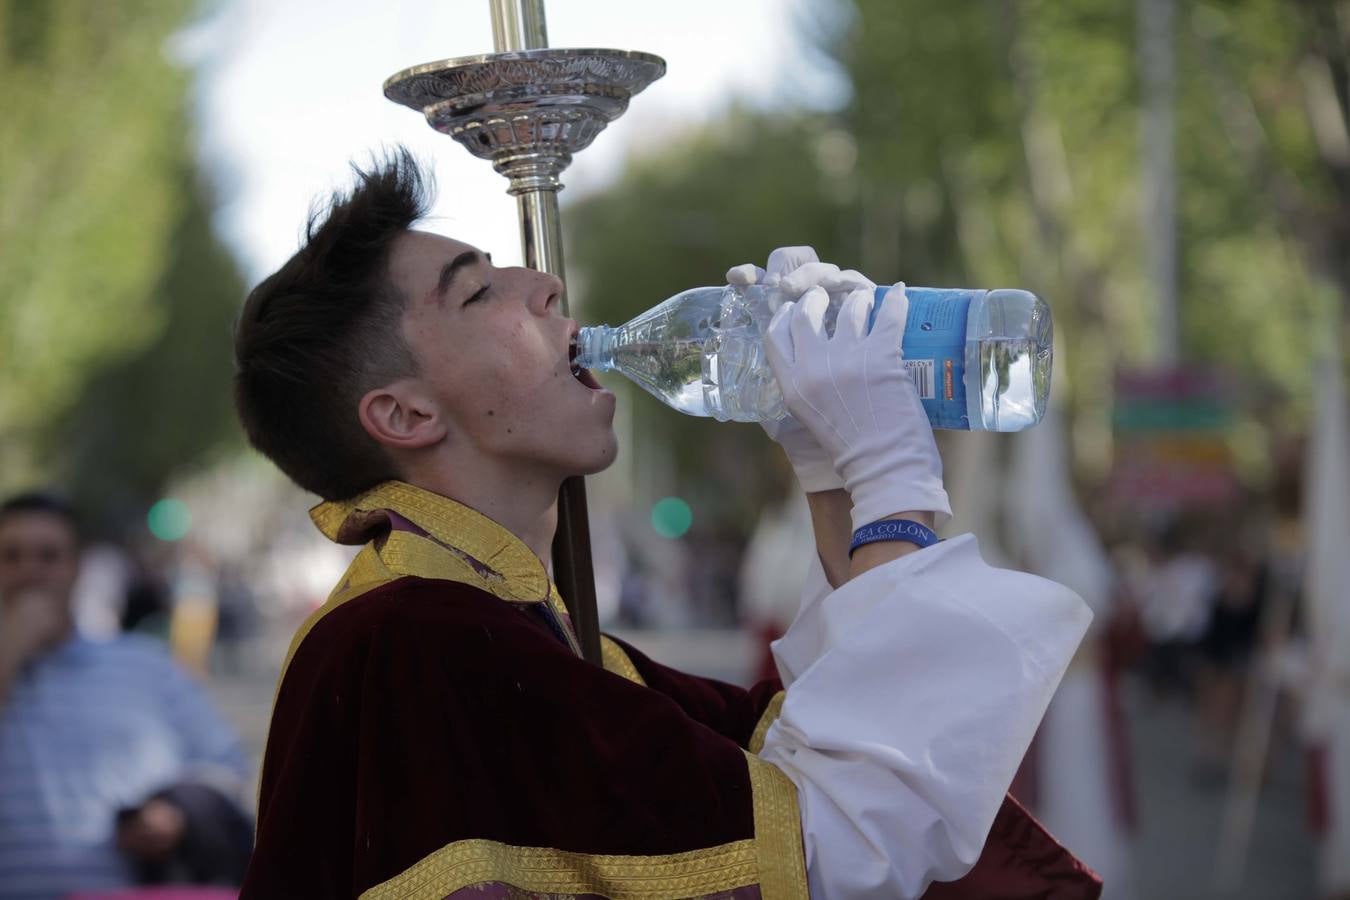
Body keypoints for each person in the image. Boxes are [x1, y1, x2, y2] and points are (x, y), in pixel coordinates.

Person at [232, 149, 1100, 899]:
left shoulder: (498, 628)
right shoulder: (418, 641)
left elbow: (803, 754)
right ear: (407, 415)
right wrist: (891, 476)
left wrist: (834, 475)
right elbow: (835, 857)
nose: (547, 285)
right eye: (480, 293)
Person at [0, 493, 254, 899]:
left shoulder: (146, 665)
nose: (29, 571)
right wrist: (9, 650)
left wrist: (176, 814)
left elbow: (224, 763)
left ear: (77, 567)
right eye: (11, 556)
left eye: (48, 556)